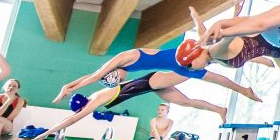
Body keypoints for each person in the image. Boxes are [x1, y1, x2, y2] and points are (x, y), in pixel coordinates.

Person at [31, 69, 252, 140]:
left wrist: (46, 133)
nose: (83, 113)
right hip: (150, 86)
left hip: (151, 81)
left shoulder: (96, 99)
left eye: (81, 110)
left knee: (192, 71)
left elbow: (72, 119)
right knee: (186, 102)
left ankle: (211, 56)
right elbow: (93, 76)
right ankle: (220, 110)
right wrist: (69, 87)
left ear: (81, 106)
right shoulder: (95, 94)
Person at [51, 40, 256, 106]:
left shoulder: (124, 58)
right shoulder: (123, 69)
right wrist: (70, 86)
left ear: (114, 73)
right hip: (175, 65)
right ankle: (244, 86)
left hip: (175, 58)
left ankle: (246, 83)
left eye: (119, 79)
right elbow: (94, 75)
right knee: (213, 73)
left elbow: (96, 75)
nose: (124, 79)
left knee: (213, 67)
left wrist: (68, 88)